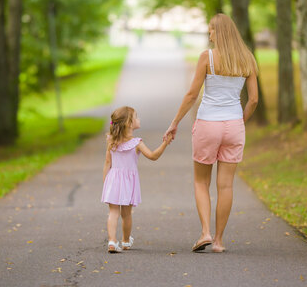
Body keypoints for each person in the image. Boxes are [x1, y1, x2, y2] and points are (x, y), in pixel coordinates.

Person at [164, 13, 259, 253]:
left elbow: (192, 95)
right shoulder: (247, 58)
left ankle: (205, 232)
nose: (209, 35)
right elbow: (254, 100)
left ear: (220, 32)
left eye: (211, 31)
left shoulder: (207, 57)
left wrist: (174, 122)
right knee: (225, 186)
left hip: (208, 124)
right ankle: (218, 241)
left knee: (200, 181)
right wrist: (241, 121)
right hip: (234, 126)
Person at [102, 106, 170, 253]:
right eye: (136, 117)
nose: (139, 119)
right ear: (129, 123)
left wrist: (105, 183)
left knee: (113, 213)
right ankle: (125, 241)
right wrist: (165, 143)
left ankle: (112, 241)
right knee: (126, 214)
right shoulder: (137, 143)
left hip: (112, 180)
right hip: (127, 184)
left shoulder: (111, 141)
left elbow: (108, 163)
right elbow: (153, 156)